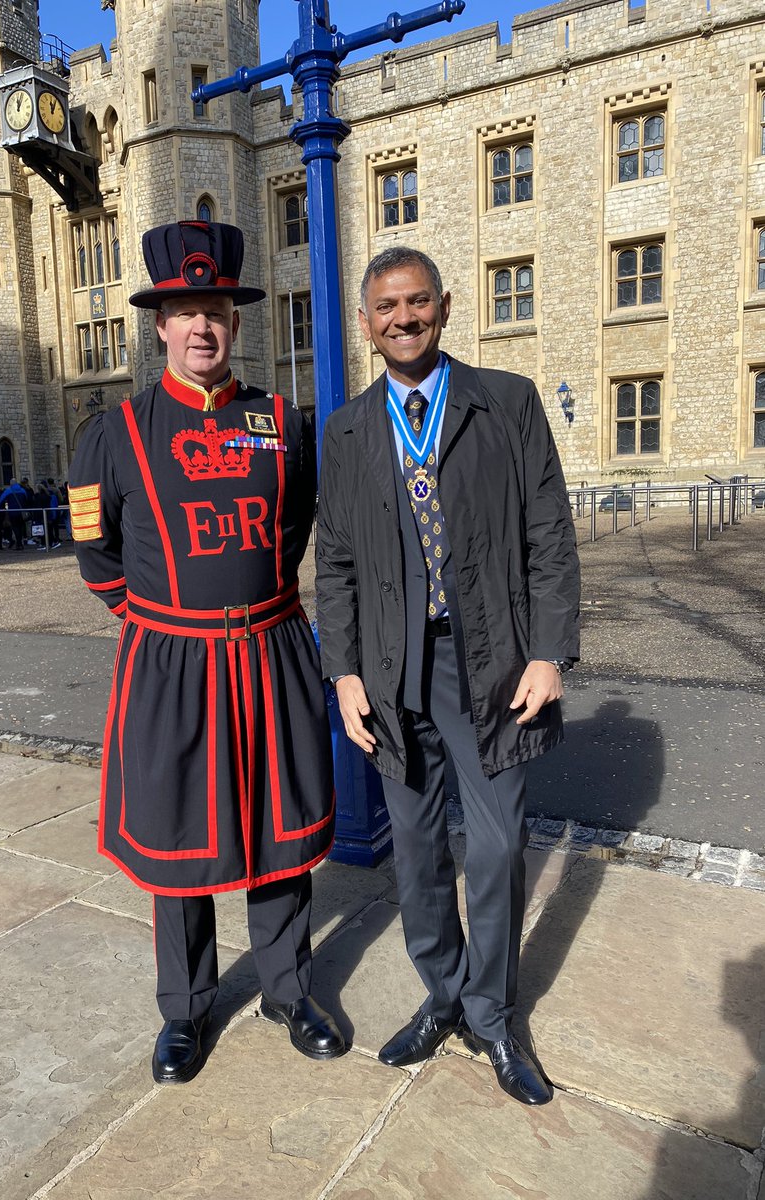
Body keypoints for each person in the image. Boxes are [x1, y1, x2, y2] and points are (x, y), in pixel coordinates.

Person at [69, 220, 344, 1085]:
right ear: (158, 323)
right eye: (185, 311)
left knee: (279, 829)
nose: (202, 327)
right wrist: (161, 627)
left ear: (235, 318)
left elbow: (296, 527)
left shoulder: (281, 423)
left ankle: (289, 990)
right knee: (179, 841)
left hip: (270, 653)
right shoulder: (113, 433)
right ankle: (185, 1011)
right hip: (172, 664)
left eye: (216, 309)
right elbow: (96, 554)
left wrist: (253, 611)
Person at [316, 246, 580, 1107]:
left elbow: (549, 530)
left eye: (418, 302)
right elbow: (338, 564)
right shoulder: (349, 428)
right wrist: (345, 673)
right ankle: (442, 994)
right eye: (386, 307)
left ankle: (493, 1015)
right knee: (419, 848)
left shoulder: (505, 402)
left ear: (445, 306)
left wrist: (548, 650)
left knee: (499, 845)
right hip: (394, 673)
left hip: (492, 663)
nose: (403, 318)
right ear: (367, 323)